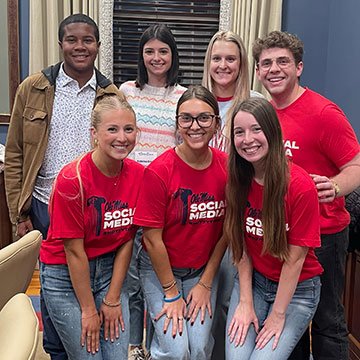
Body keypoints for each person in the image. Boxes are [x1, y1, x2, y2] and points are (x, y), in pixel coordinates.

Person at [4, 13, 123, 359]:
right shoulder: (34, 88)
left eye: (88, 40)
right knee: (54, 281)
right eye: (72, 40)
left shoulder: (110, 94)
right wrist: (19, 212)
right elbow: (15, 154)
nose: (80, 46)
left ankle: (89, 342)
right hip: (43, 204)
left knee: (89, 279)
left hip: (93, 208)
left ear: (98, 47)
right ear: (61, 44)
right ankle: (58, 350)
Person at [252, 31, 360, 360]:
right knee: (290, 327)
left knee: (327, 320)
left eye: (282, 61)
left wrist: (337, 186)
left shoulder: (324, 113)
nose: (274, 69)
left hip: (323, 236)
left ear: (298, 67)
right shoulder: (263, 116)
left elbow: (356, 163)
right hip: (278, 235)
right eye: (266, 63)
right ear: (257, 71)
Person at [39, 95, 144, 359]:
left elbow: (127, 240)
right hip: (65, 274)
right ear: (94, 134)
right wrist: (88, 310)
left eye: (128, 129)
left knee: (116, 356)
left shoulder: (139, 176)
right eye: (112, 129)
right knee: (90, 355)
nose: (122, 137)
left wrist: (112, 298)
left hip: (109, 270)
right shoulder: (71, 180)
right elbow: (73, 252)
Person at [133, 85, 228, 359]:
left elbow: (227, 232)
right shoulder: (159, 171)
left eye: (203, 118)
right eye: (186, 118)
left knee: (198, 349)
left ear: (216, 124)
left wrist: (206, 283)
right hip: (160, 270)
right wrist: (171, 293)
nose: (194, 126)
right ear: (177, 124)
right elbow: (151, 239)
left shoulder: (227, 167)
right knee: (176, 351)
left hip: (202, 269)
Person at [225, 97, 323, 359]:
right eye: (239, 132)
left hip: (298, 291)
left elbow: (295, 260)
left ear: (273, 131)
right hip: (255, 282)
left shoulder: (300, 186)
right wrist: (245, 301)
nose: (248, 139)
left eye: (257, 129)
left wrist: (278, 315)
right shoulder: (237, 180)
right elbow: (240, 246)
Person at [119, 24, 186, 360]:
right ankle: (134, 346)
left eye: (163, 51)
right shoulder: (126, 91)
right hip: (129, 197)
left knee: (159, 275)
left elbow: (184, 148)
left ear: (173, 55)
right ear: (141, 55)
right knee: (129, 279)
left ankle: (160, 343)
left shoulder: (182, 96)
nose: (156, 57)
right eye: (150, 51)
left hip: (167, 201)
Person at [202, 30, 262, 359]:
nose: (223, 65)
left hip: (238, 215)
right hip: (198, 214)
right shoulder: (194, 99)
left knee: (230, 298)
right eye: (217, 58)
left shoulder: (256, 102)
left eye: (231, 59)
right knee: (202, 298)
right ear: (208, 62)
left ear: (241, 64)